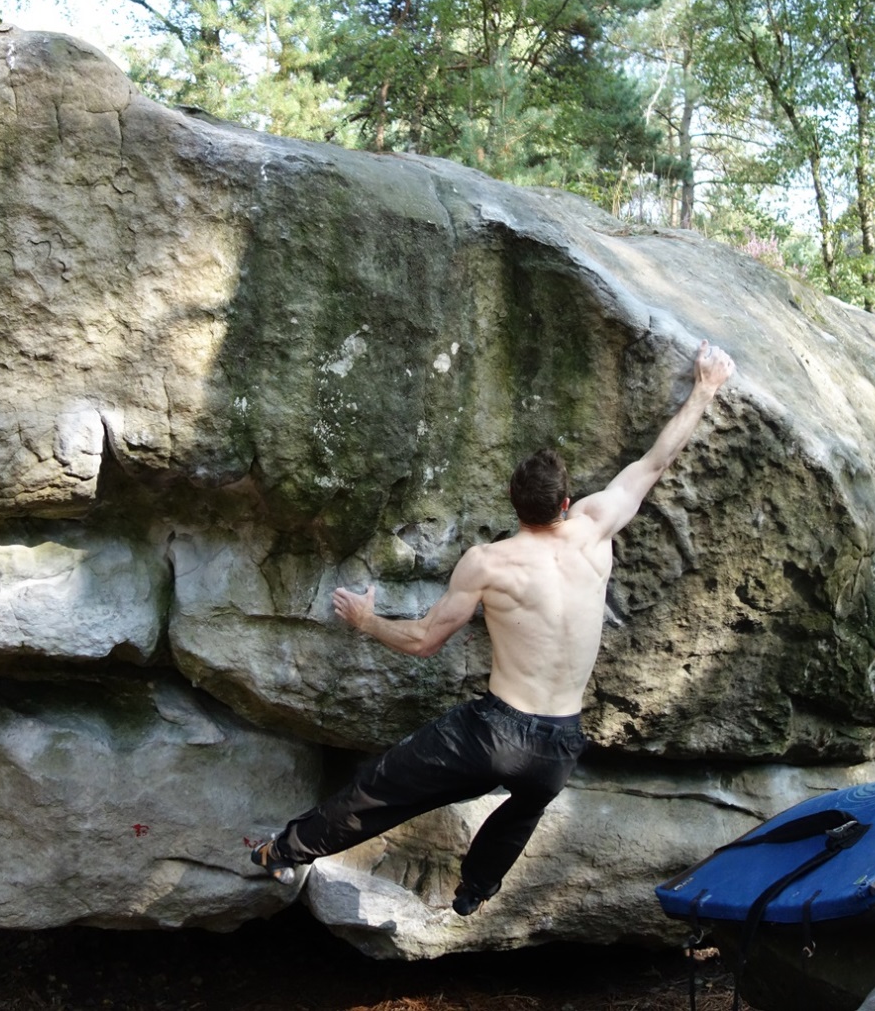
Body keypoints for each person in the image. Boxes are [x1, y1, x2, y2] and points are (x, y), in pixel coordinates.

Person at [250, 340, 737, 916]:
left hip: (494, 735)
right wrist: (705, 388)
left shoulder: (489, 561)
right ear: (567, 500)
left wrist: (365, 619)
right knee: (526, 805)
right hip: (561, 742)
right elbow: (656, 461)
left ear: (514, 504)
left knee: (384, 789)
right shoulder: (596, 530)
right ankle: (475, 890)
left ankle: (283, 851)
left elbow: (425, 641)